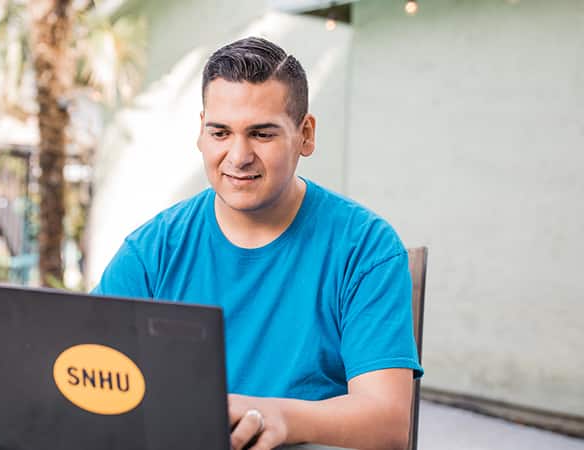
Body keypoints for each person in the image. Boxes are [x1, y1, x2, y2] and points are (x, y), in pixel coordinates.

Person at [93, 36, 423, 450]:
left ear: (305, 134)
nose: (238, 155)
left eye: (261, 134)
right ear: (201, 133)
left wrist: (278, 418)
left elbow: (388, 422)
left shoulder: (365, 248)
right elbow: (87, 381)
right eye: (220, 132)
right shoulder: (152, 251)